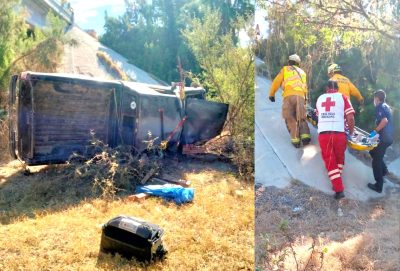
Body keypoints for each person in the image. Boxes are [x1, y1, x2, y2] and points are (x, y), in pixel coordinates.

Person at [316, 80, 355, 200]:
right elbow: (350, 118)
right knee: (339, 159)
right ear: (337, 88)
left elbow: (318, 115)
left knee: (330, 161)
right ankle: (337, 183)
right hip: (339, 134)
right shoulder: (343, 97)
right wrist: (351, 132)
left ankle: (338, 189)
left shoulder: (320, 98)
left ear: (326, 88)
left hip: (324, 135)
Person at [269, 54, 311, 148]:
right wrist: (305, 99)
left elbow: (276, 81)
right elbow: (305, 87)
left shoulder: (285, 69)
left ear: (289, 62)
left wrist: (272, 94)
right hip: (300, 96)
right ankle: (305, 136)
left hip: (289, 96)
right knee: (301, 116)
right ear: (298, 63)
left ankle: (295, 140)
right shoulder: (302, 72)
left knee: (289, 117)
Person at [367, 89, 394, 193]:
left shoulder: (380, 106)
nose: (374, 101)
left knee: (376, 161)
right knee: (372, 151)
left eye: (374, 99)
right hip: (388, 137)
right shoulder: (386, 106)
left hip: (384, 138)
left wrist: (375, 131)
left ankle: (378, 186)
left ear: (377, 99)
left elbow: (384, 121)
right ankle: (384, 171)